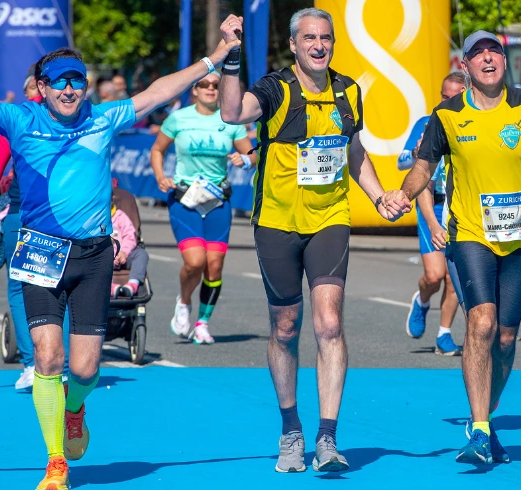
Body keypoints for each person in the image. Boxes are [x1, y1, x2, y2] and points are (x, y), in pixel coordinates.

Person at [0, 36, 239, 489]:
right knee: (47, 358)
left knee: (84, 371)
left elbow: (158, 92)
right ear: (42, 87)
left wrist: (213, 59)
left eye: (76, 81)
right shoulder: (20, 119)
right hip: (40, 254)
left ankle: (75, 407)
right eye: (59, 82)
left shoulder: (102, 118)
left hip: (93, 256)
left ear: (85, 86)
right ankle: (55, 464)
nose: (69, 90)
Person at [395, 30, 521, 465]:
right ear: (465, 66)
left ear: (505, 62)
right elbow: (424, 168)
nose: (487, 59)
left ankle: (485, 417)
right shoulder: (447, 114)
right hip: (471, 234)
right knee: (482, 323)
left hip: (520, 238)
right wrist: (403, 194)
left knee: (505, 338)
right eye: (478, 54)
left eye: (495, 52)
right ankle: (481, 429)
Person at [218, 9, 406, 473]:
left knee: (329, 325)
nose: (319, 46)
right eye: (309, 38)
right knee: (285, 328)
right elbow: (231, 113)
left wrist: (379, 195)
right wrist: (232, 57)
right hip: (277, 222)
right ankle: (290, 430)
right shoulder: (275, 88)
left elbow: (354, 150)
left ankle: (327, 437)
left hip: (330, 219)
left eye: (326, 38)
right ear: (293, 44)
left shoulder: (349, 91)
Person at [0, 67, 72, 391]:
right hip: (66, 214)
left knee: (19, 286)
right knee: (61, 286)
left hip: (24, 212)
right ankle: (63, 365)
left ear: (36, 88)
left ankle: (31, 364)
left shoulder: (18, 118)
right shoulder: (75, 117)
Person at [151, 72, 253, 345]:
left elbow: (252, 154)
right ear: (194, 89)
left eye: (216, 85)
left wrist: (244, 159)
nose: (210, 88)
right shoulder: (178, 118)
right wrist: (161, 177)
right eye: (204, 84)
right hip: (185, 200)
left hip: (218, 201)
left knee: (214, 267)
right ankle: (184, 302)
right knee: (195, 261)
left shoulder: (230, 121)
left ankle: (202, 323)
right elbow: (157, 150)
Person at [405, 72, 467, 356]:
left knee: (454, 279)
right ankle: (422, 300)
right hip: (432, 203)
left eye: (455, 95)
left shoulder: (471, 123)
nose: (448, 100)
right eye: (444, 95)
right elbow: (401, 160)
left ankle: (444, 334)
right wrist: (416, 153)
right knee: (434, 275)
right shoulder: (426, 123)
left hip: (459, 206)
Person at [110, 196, 148, 298]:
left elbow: (130, 237)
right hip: (106, 257)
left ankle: (132, 284)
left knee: (141, 254)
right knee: (96, 260)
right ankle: (109, 287)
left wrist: (124, 252)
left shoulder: (120, 216)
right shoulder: (96, 219)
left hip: (123, 255)